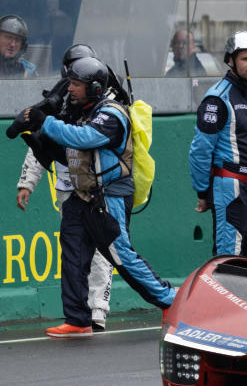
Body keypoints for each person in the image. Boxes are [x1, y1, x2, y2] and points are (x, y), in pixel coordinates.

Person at [22, 54, 176, 338]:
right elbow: (69, 154)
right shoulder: (80, 110)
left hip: (109, 197)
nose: (69, 89)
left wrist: (46, 123)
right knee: (72, 256)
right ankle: (77, 320)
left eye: (76, 84)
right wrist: (37, 137)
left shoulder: (112, 113)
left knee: (122, 256)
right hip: (80, 196)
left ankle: (172, 301)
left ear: (94, 87)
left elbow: (83, 139)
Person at [16, 45, 114, 331]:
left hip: (99, 189)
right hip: (68, 189)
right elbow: (38, 145)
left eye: (78, 78)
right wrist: (27, 183)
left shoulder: (106, 107)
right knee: (73, 253)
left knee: (102, 253)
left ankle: (98, 311)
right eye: (70, 77)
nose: (72, 84)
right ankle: (77, 315)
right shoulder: (57, 103)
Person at [189, 31, 247, 258]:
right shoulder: (217, 98)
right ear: (231, 61)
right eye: (246, 59)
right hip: (229, 185)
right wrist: (203, 192)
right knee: (230, 259)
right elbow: (200, 151)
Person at [0, 14, 36, 79]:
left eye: (17, 40)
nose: (12, 44)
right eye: (8, 37)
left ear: (22, 46)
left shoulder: (29, 70)